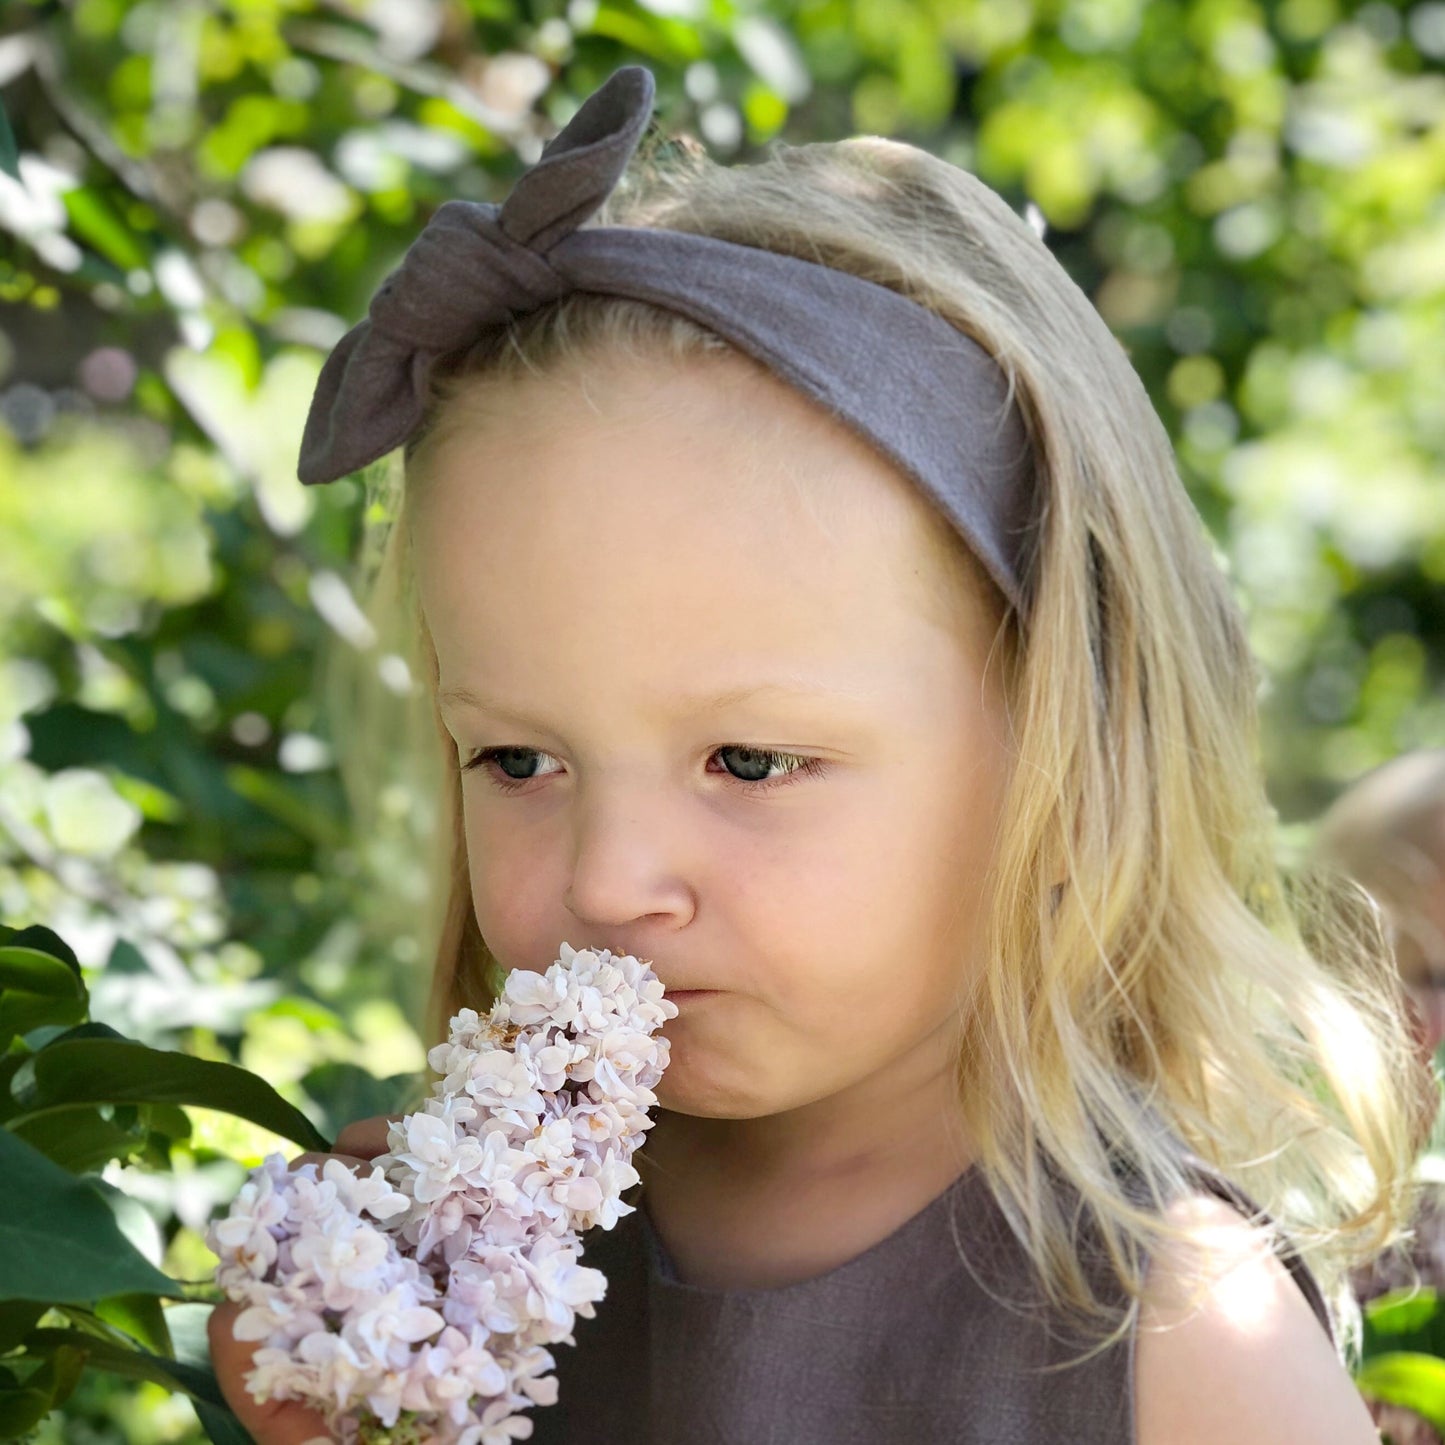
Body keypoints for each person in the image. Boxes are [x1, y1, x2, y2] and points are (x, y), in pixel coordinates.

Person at [207, 64, 1428, 1445]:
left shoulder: (1175, 1333)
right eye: (517, 761)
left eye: (745, 760)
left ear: (1060, 751)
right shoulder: (439, 1262)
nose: (611, 882)